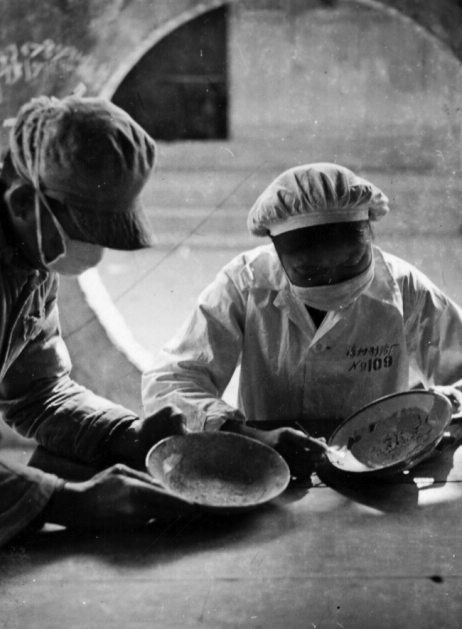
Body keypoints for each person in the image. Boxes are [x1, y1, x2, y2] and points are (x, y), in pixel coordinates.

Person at [142, 162, 462, 477]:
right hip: (273, 466)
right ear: (277, 254)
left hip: (380, 470)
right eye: (309, 271)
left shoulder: (403, 286)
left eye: (354, 260)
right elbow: (169, 382)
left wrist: (446, 409)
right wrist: (252, 437)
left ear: (371, 237)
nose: (335, 282)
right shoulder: (245, 284)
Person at [0, 95, 194, 548]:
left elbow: (37, 391)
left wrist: (125, 433)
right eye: (83, 231)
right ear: (24, 202)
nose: (94, 251)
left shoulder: (31, 255)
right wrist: (69, 502)